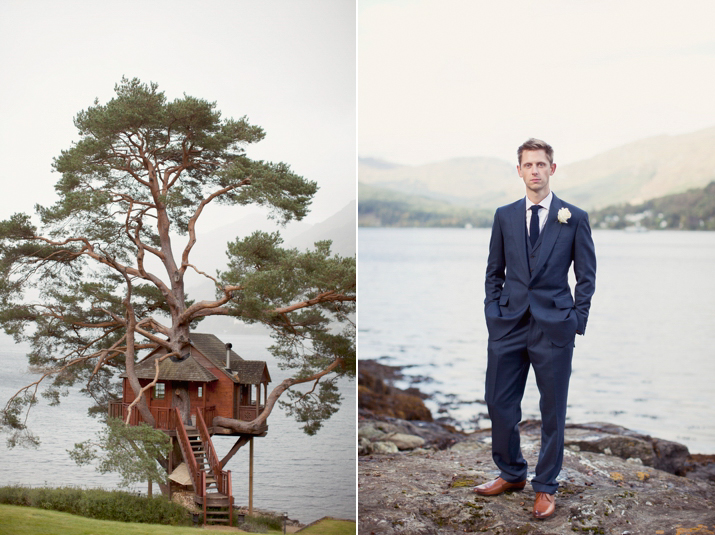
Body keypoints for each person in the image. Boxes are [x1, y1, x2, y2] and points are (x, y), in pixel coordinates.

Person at [474, 138, 596, 519]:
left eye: (541, 164)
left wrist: (576, 320)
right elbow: (494, 272)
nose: (535, 171)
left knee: (552, 410)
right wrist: (493, 313)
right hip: (508, 324)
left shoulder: (573, 217)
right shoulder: (504, 215)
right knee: (499, 402)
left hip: (555, 327)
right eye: (528, 165)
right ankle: (511, 473)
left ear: (552, 169)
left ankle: (545, 486)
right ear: (520, 170)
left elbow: (586, 277)